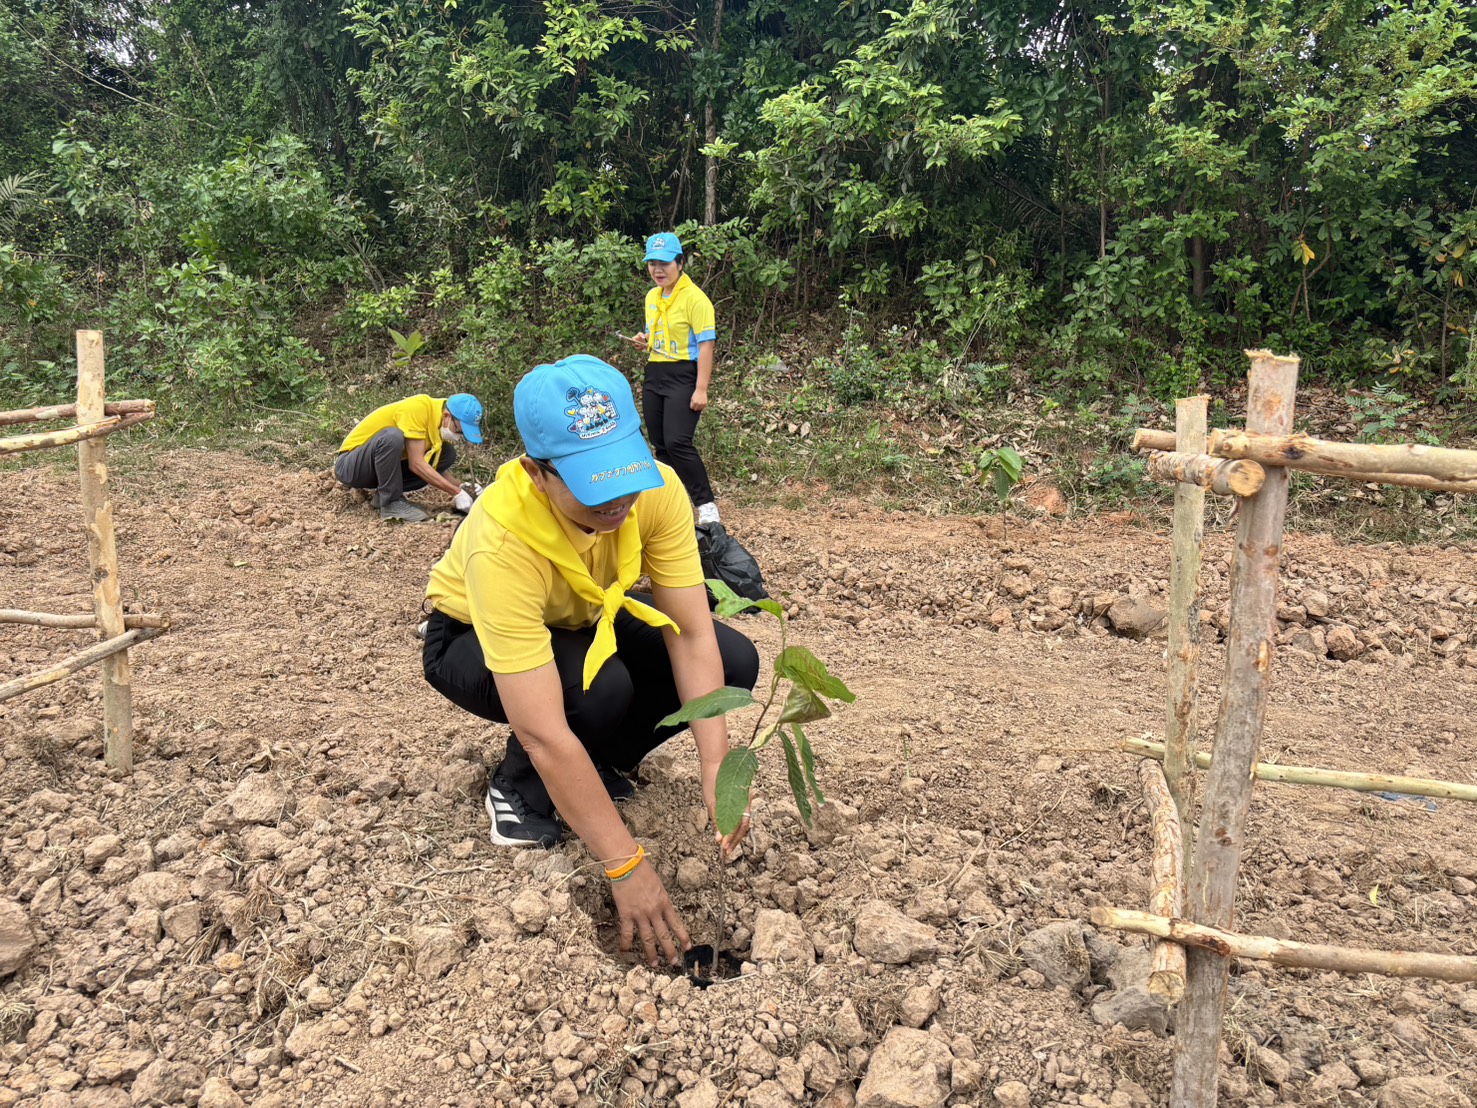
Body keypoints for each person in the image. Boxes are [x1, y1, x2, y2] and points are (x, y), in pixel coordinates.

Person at [420, 355, 760, 968]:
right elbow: (543, 729)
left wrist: (717, 762)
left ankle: (596, 765)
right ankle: (518, 791)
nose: (618, 501)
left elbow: (689, 631)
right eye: (591, 484)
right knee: (597, 689)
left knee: (733, 661)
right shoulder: (504, 538)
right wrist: (625, 864)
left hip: (584, 613)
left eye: (622, 472)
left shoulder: (653, 493)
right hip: (468, 638)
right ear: (536, 471)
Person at [619, 233, 721, 526]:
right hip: (655, 373)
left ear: (680, 262)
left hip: (684, 375)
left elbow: (705, 345)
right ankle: (668, 501)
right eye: (652, 263)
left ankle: (706, 504)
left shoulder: (695, 299)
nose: (657, 269)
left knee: (678, 441)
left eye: (664, 263)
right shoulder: (652, 297)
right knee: (660, 443)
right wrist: (644, 340)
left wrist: (701, 389)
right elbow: (658, 334)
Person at [335, 393, 483, 522]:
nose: (458, 437)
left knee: (447, 453)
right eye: (459, 431)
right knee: (392, 437)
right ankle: (391, 503)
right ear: (446, 416)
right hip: (350, 466)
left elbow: (433, 466)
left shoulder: (437, 422)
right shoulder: (419, 408)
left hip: (375, 469)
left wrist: (462, 487)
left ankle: (383, 497)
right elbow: (417, 464)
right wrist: (456, 493)